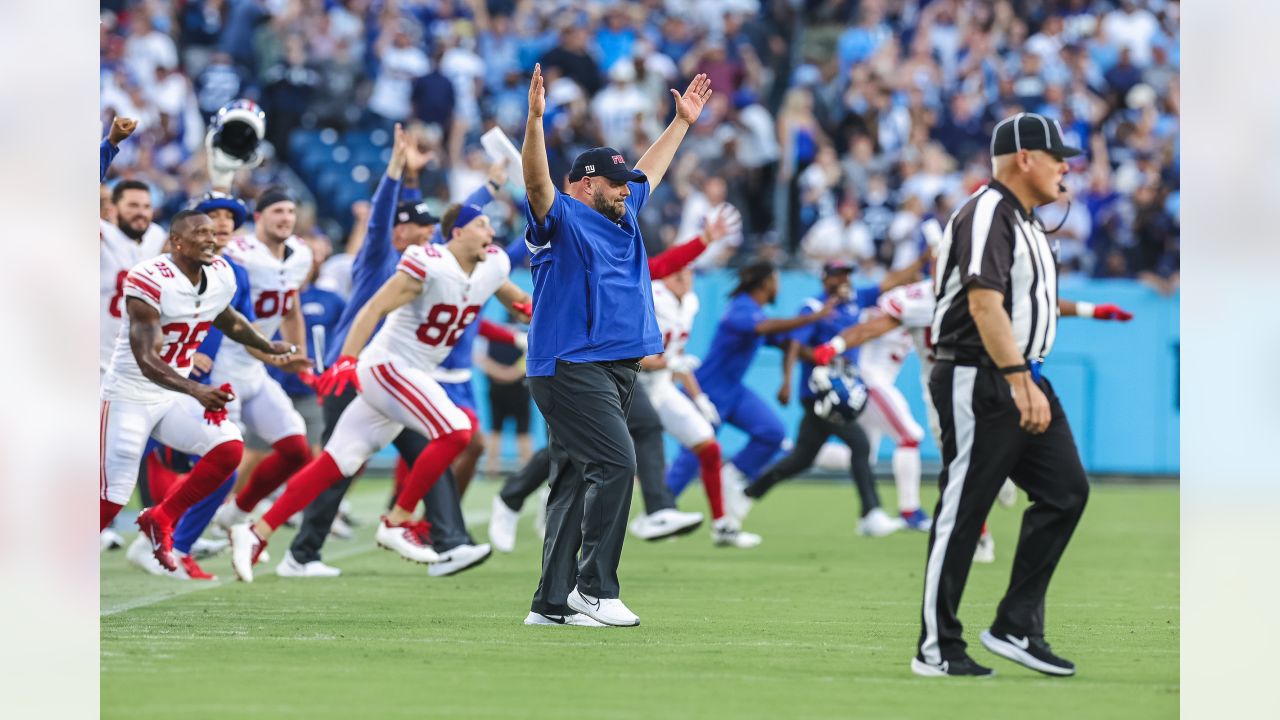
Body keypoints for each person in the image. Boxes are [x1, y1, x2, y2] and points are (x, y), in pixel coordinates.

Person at [227, 203, 531, 582]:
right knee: (456, 430)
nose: (491, 232)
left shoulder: (492, 265)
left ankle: (256, 532)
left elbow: (520, 303)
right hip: (388, 365)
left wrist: (552, 316)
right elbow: (372, 308)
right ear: (457, 232)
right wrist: (347, 360)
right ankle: (398, 519)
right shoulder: (429, 263)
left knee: (336, 463)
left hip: (409, 374)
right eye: (482, 225)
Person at [517, 64, 710, 628]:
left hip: (614, 367)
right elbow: (534, 184)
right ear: (583, 184)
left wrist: (680, 124)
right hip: (571, 364)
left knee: (574, 480)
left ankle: (550, 606)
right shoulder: (564, 217)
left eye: (626, 183)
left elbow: (651, 170)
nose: (626, 190)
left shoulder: (622, 217)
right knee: (616, 461)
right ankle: (594, 588)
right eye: (614, 183)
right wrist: (534, 122)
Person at [911, 112, 1092, 678]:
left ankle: (1016, 624)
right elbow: (985, 303)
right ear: (1025, 158)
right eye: (1058, 156)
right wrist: (1018, 380)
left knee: (1066, 491)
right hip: (979, 374)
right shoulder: (987, 210)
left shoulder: (1028, 220)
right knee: (963, 510)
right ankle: (936, 648)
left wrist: (1026, 375)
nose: (1067, 167)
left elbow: (1026, 301)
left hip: (1020, 372)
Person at [286, 125, 499, 579]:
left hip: (396, 374)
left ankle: (448, 542)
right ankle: (301, 551)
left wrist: (492, 185)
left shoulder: (430, 261)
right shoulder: (379, 254)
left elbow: (459, 225)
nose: (428, 235)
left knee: (432, 447)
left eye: (430, 228)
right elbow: (385, 214)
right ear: (401, 232)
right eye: (420, 228)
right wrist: (397, 171)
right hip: (358, 371)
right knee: (344, 464)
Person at [486, 225, 724, 554]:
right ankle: (516, 499)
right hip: (569, 361)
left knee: (595, 443)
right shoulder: (568, 256)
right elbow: (531, 301)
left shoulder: (622, 262)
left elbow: (660, 266)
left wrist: (702, 241)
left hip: (611, 365)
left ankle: (654, 511)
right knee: (576, 445)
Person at [101, 210, 295, 570]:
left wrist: (267, 346)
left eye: (212, 232)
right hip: (129, 393)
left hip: (171, 395)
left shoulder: (220, 273)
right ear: (177, 242)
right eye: (200, 233)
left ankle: (160, 517)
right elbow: (145, 359)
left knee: (227, 447)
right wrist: (196, 390)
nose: (210, 239)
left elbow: (227, 318)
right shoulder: (149, 278)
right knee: (110, 499)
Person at [742, 259, 923, 537]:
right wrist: (787, 381)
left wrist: (921, 260)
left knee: (803, 458)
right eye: (837, 274)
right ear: (825, 278)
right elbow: (794, 344)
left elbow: (890, 282)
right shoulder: (814, 307)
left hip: (843, 389)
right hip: (819, 391)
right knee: (860, 444)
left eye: (847, 274)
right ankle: (871, 513)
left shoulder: (855, 300)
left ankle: (748, 491)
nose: (843, 279)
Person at [663, 260, 836, 533]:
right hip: (710, 388)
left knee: (772, 432)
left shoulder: (756, 312)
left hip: (734, 391)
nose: (777, 285)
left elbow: (785, 341)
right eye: (775, 279)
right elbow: (767, 329)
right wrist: (811, 318)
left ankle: (732, 474)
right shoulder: (741, 308)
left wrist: (815, 356)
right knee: (693, 454)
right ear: (765, 283)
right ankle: (662, 508)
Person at [207, 187, 315, 532]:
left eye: (290, 211)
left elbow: (291, 305)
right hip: (223, 362)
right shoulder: (240, 255)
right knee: (222, 456)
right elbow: (236, 322)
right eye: (277, 211)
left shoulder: (301, 254)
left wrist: (297, 353)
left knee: (296, 448)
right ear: (258, 218)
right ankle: (176, 530)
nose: (285, 218)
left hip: (255, 368)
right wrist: (272, 353)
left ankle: (237, 513)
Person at [640, 257, 759, 548]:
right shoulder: (649, 296)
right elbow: (632, 357)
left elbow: (678, 356)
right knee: (595, 458)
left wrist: (699, 396)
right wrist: (669, 362)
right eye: (676, 269)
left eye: (688, 270)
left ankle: (721, 525)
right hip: (630, 389)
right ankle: (552, 503)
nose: (683, 275)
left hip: (662, 388)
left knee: (708, 446)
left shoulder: (690, 303)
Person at [102, 179, 169, 375]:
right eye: (132, 205)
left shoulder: (156, 236)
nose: (141, 212)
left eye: (146, 206)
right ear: (112, 209)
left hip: (138, 359)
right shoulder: (102, 233)